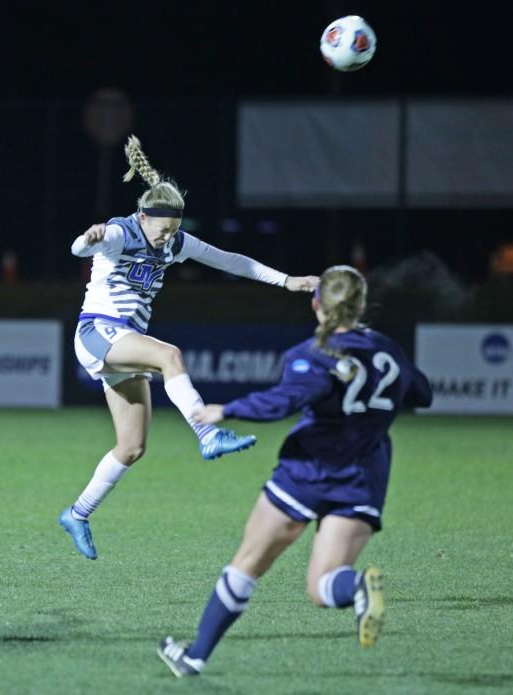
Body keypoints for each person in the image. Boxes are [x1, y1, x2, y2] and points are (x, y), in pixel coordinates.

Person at [157, 265, 433, 678]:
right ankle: (356, 588)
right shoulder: (387, 351)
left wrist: (227, 409)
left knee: (247, 563)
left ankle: (196, 655)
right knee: (323, 586)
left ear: (316, 304)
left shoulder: (310, 354)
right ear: (360, 305)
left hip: (307, 471)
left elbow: (283, 402)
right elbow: (423, 394)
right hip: (363, 478)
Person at [59, 135, 318, 560]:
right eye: (162, 231)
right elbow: (76, 249)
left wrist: (288, 281)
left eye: (174, 231)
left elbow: (232, 260)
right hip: (98, 331)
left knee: (132, 447)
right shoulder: (121, 233)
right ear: (143, 217)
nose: (167, 239)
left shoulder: (176, 242)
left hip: (124, 342)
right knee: (169, 355)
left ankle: (78, 513)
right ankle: (208, 434)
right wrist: (88, 239)